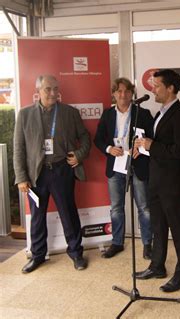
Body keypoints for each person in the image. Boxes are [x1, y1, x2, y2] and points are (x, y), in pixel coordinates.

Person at [13, 75, 90, 273]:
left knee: (68, 213)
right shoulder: (25, 115)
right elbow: (18, 148)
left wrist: (79, 155)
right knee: (37, 217)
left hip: (62, 170)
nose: (53, 93)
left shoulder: (69, 113)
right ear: (38, 90)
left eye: (56, 88)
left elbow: (85, 137)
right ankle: (38, 255)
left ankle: (76, 253)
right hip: (36, 174)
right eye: (48, 89)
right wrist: (21, 177)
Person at [134, 69, 180, 293]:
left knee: (178, 228)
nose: (152, 89)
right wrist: (144, 147)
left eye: (157, 85)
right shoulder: (160, 112)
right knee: (158, 226)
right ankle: (157, 266)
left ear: (170, 88)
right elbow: (159, 145)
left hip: (173, 182)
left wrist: (152, 146)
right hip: (156, 180)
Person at [94, 78, 154, 259]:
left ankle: (147, 244)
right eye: (119, 91)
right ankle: (117, 242)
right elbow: (98, 139)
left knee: (144, 207)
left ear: (132, 94)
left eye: (127, 91)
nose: (123, 95)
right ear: (113, 93)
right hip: (116, 165)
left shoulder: (142, 113)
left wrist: (141, 148)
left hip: (137, 163)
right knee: (116, 207)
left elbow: (152, 138)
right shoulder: (107, 115)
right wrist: (108, 149)